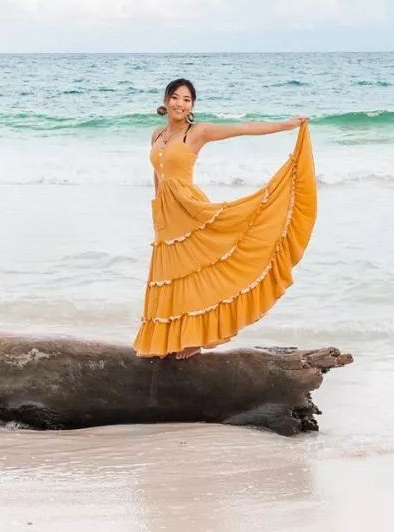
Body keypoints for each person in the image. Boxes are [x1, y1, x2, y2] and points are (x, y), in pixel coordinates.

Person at [133, 78, 317, 359]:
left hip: (189, 208)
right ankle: (172, 338)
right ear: (166, 100)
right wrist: (157, 209)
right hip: (167, 214)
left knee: (199, 271)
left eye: (187, 99)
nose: (180, 104)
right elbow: (158, 174)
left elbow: (243, 129)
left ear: (192, 105)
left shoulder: (197, 132)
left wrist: (286, 125)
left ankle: (193, 340)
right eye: (176, 97)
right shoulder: (157, 134)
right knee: (170, 275)